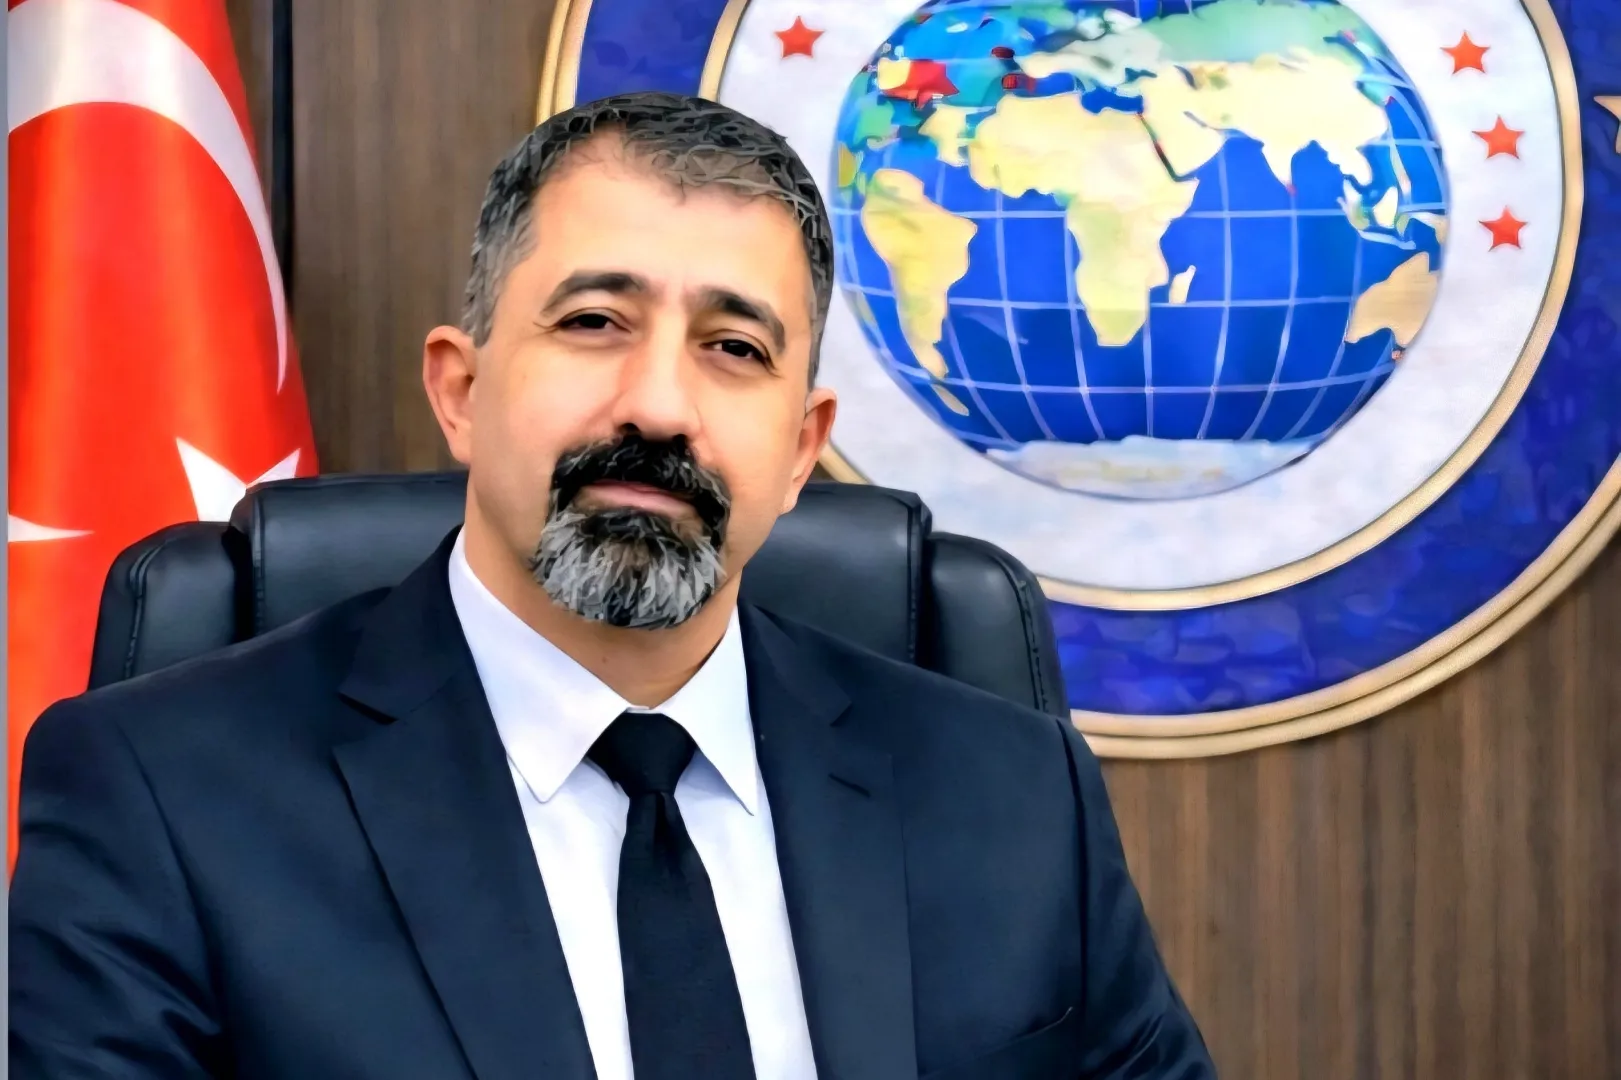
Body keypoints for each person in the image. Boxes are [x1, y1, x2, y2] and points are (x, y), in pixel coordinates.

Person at [9, 92, 1216, 1079]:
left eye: (734, 349)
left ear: (801, 450)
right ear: (460, 391)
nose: (659, 405)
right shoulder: (163, 794)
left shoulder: (1014, 796)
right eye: (594, 322)